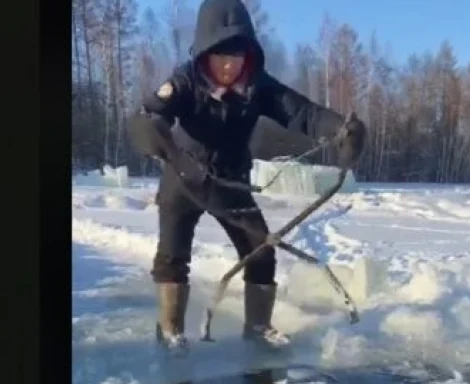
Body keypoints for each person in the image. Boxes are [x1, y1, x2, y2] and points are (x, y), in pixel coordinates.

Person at [128, 0, 366, 352]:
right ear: (204, 53)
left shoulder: (260, 86)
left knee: (261, 252)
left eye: (236, 55)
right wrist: (151, 133)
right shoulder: (183, 81)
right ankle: (171, 331)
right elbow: (150, 114)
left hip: (230, 183)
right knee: (172, 256)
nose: (228, 64)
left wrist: (342, 128)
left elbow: (303, 114)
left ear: (249, 54)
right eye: (219, 55)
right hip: (183, 177)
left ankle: (257, 327)